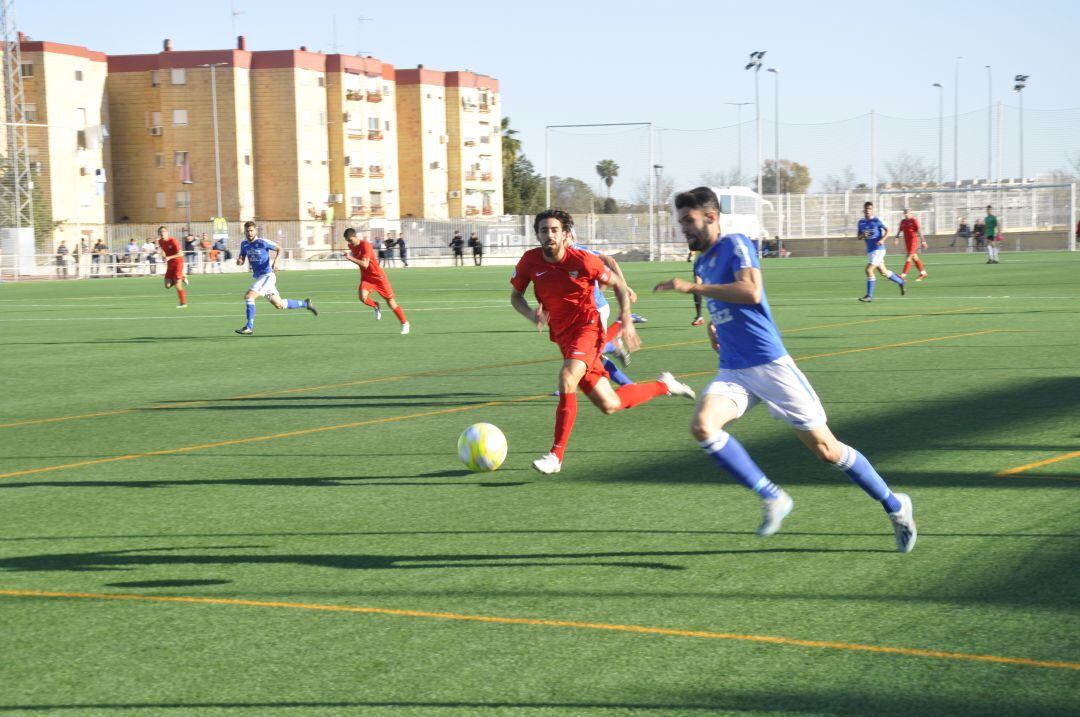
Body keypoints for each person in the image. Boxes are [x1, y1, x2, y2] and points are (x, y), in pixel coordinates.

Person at [653, 187, 916, 552]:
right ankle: (772, 497)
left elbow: (751, 291)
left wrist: (692, 287)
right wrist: (716, 327)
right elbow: (725, 302)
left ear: (711, 217)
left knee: (827, 450)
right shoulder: (702, 260)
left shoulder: (736, 244)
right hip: (734, 370)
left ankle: (895, 505)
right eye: (681, 221)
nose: (683, 228)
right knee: (702, 426)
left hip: (771, 366)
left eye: (689, 220)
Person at [510, 209, 695, 475]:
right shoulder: (530, 261)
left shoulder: (583, 260)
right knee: (610, 404)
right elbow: (516, 296)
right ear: (537, 234)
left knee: (566, 378)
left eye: (554, 230)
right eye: (543, 230)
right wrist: (531, 314)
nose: (548, 235)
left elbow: (618, 284)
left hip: (588, 329)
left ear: (564, 234)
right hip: (563, 336)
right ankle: (664, 385)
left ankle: (556, 456)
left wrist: (626, 320)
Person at [234, 220, 317, 335]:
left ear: (255, 231)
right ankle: (305, 304)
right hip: (260, 278)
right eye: (247, 231)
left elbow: (279, 248)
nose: (249, 233)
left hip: (267, 276)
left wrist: (276, 262)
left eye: (251, 231)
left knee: (249, 296)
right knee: (279, 305)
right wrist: (239, 261)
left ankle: (249, 326)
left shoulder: (263, 242)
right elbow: (242, 259)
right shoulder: (244, 244)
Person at [343, 227, 410, 334]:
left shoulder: (366, 245)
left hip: (378, 277)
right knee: (362, 297)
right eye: (347, 241)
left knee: (391, 302)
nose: (348, 242)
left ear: (355, 237)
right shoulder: (350, 245)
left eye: (350, 240)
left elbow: (365, 264)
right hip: (367, 278)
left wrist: (350, 258)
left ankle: (404, 323)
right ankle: (375, 305)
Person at [855, 201, 905, 302]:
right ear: (863, 210)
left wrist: (882, 240)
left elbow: (888, 230)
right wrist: (863, 235)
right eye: (866, 209)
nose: (868, 211)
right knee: (883, 272)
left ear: (872, 210)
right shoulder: (861, 222)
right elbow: (858, 236)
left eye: (869, 209)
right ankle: (900, 282)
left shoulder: (877, 220)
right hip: (871, 251)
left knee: (869, 270)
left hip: (879, 250)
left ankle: (869, 296)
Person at [156, 226, 188, 308]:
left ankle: (183, 303)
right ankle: (182, 277)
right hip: (170, 264)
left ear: (167, 232)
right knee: (167, 285)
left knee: (177, 284)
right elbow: (163, 250)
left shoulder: (173, 241)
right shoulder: (160, 241)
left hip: (178, 263)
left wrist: (169, 257)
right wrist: (164, 256)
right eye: (160, 232)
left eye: (163, 231)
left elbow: (181, 254)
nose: (162, 233)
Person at [894, 208, 928, 281]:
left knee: (909, 256)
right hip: (907, 242)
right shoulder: (903, 221)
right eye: (905, 213)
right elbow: (899, 230)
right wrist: (896, 238)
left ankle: (903, 275)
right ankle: (923, 273)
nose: (906, 214)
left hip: (913, 241)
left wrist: (923, 241)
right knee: (914, 257)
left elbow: (919, 231)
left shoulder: (914, 221)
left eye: (907, 213)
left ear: (910, 213)